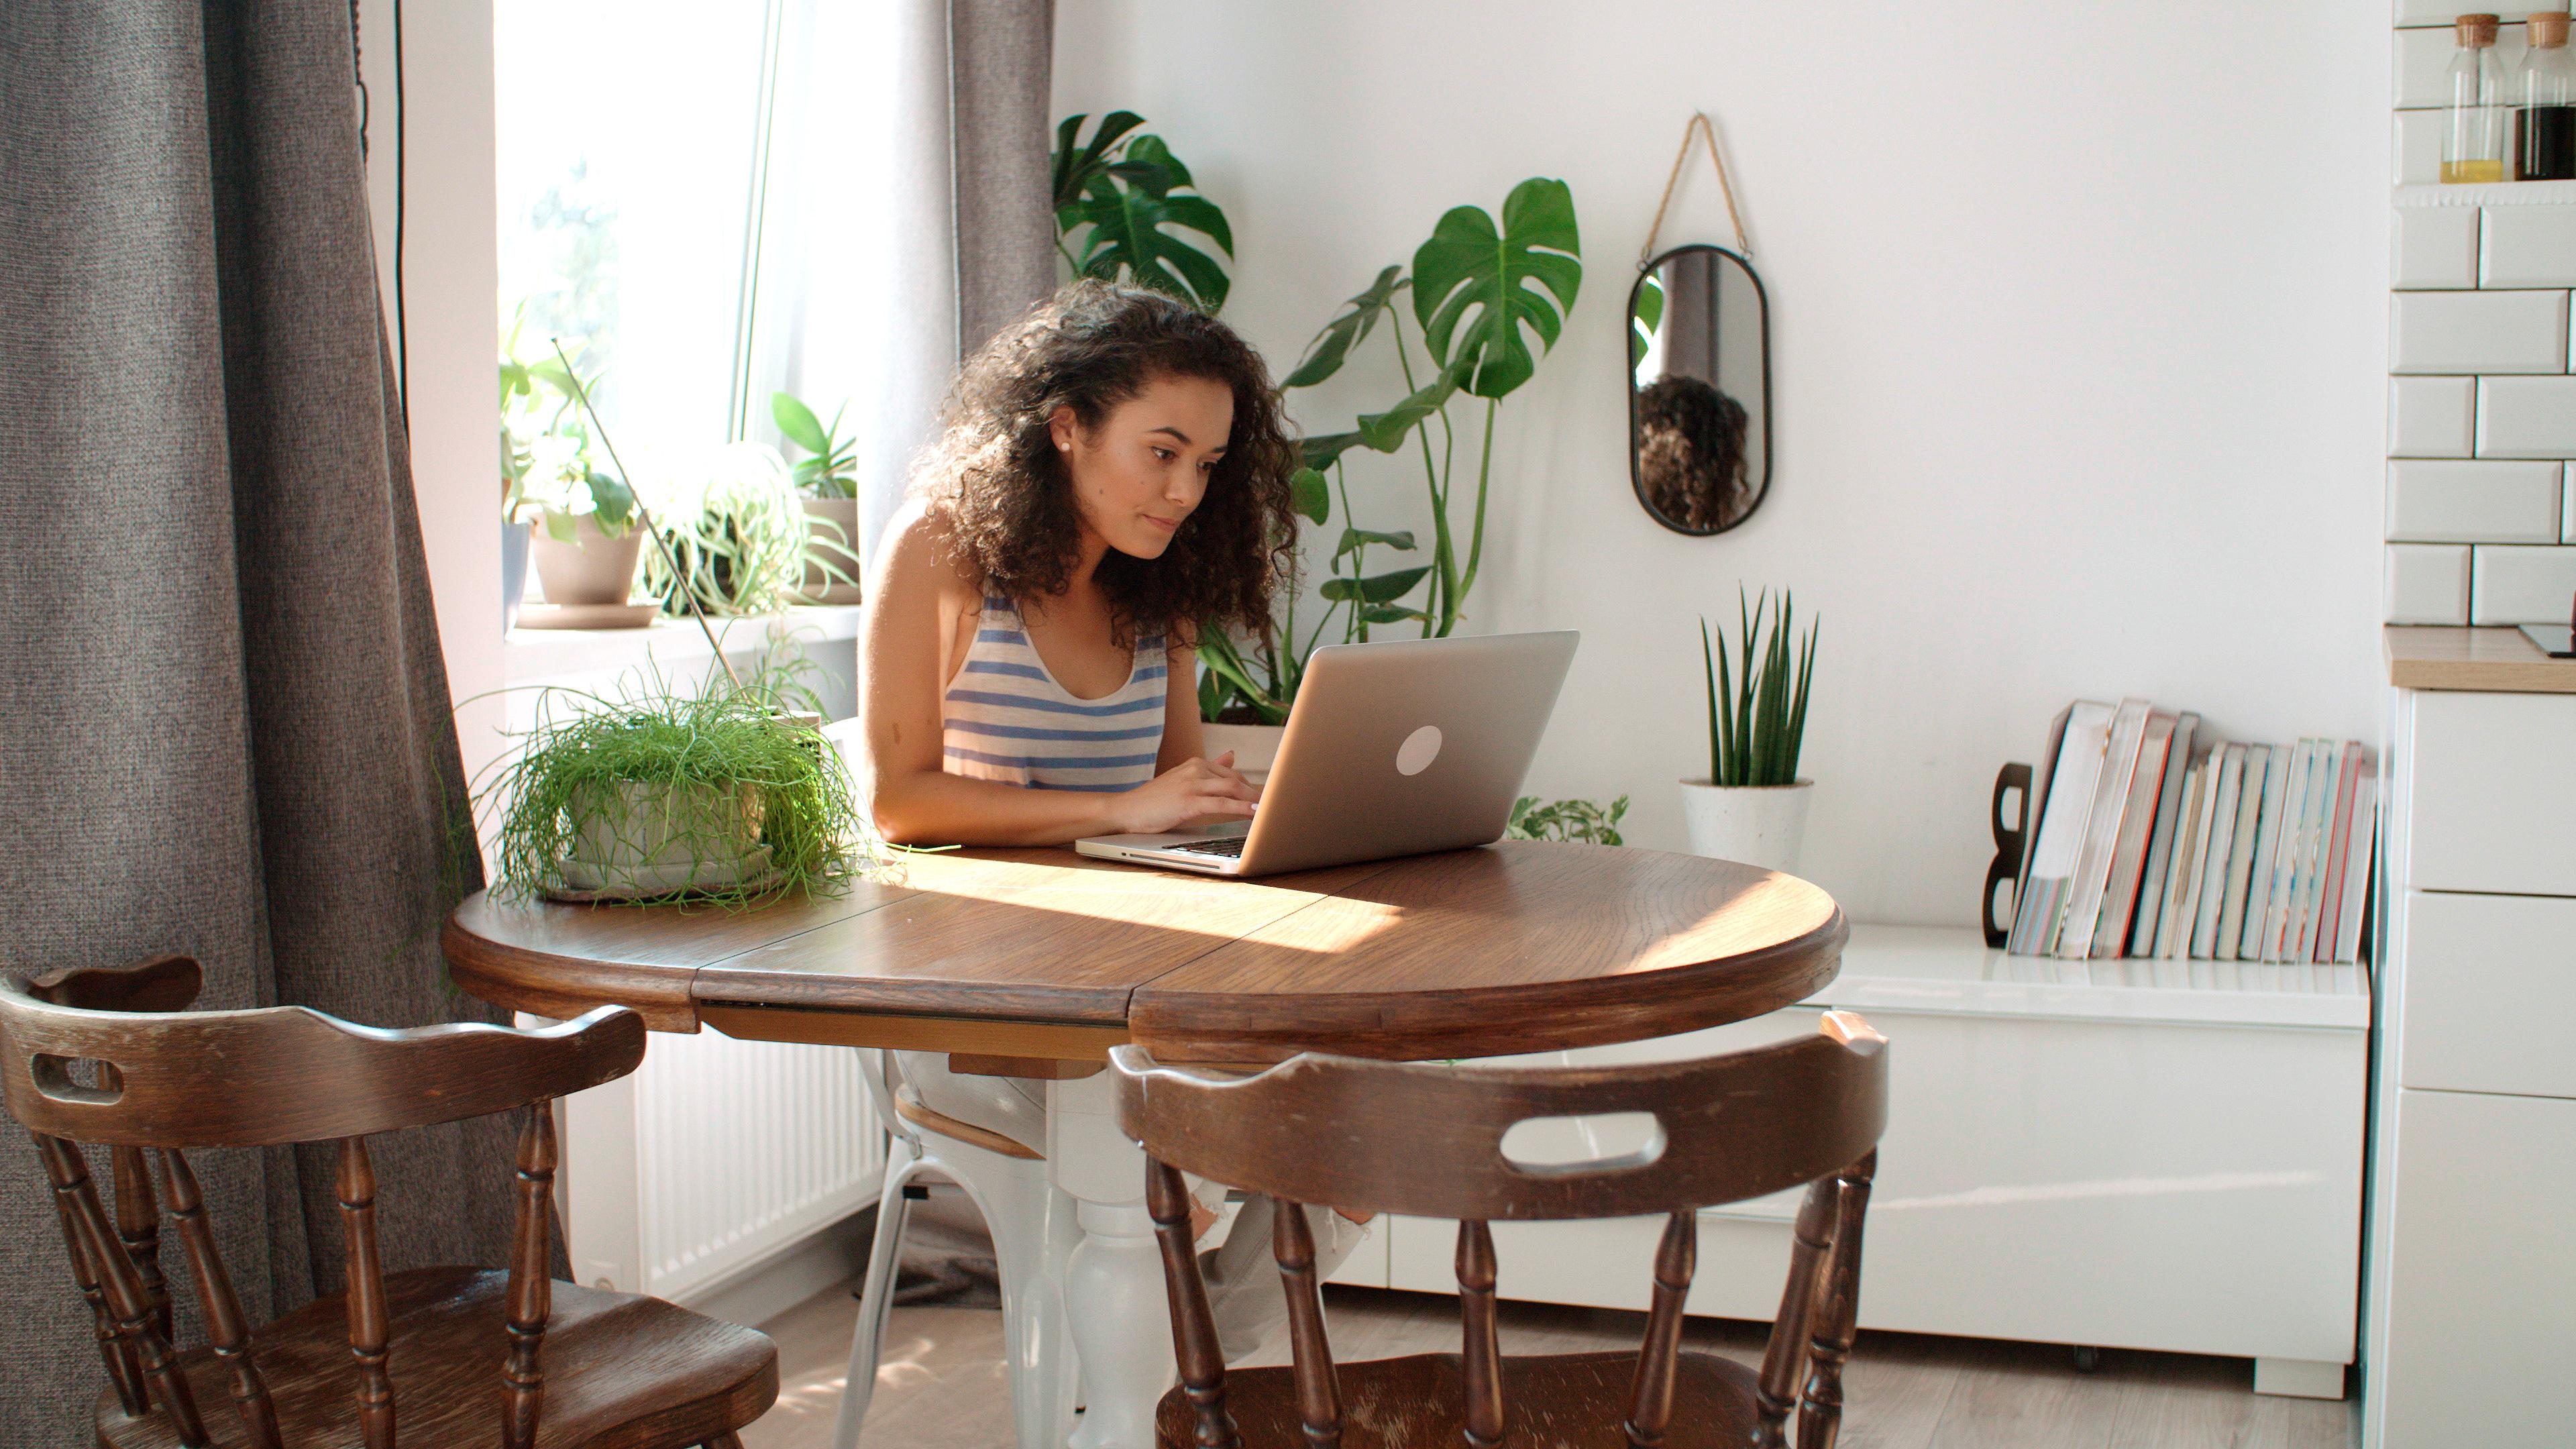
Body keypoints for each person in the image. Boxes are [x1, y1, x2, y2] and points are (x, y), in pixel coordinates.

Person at [858, 278, 1363, 1358]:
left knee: (1356, 1128)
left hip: (1138, 979)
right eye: (1162, 451)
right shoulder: (942, 553)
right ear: (1068, 425)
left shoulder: (1156, 587)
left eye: (1210, 465)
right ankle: (1163, 1393)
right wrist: (1118, 808)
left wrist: (1254, 805)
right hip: (982, 1001)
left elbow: (1175, 790)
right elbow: (899, 805)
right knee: (1205, 1137)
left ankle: (1166, 1390)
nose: (1185, 490)